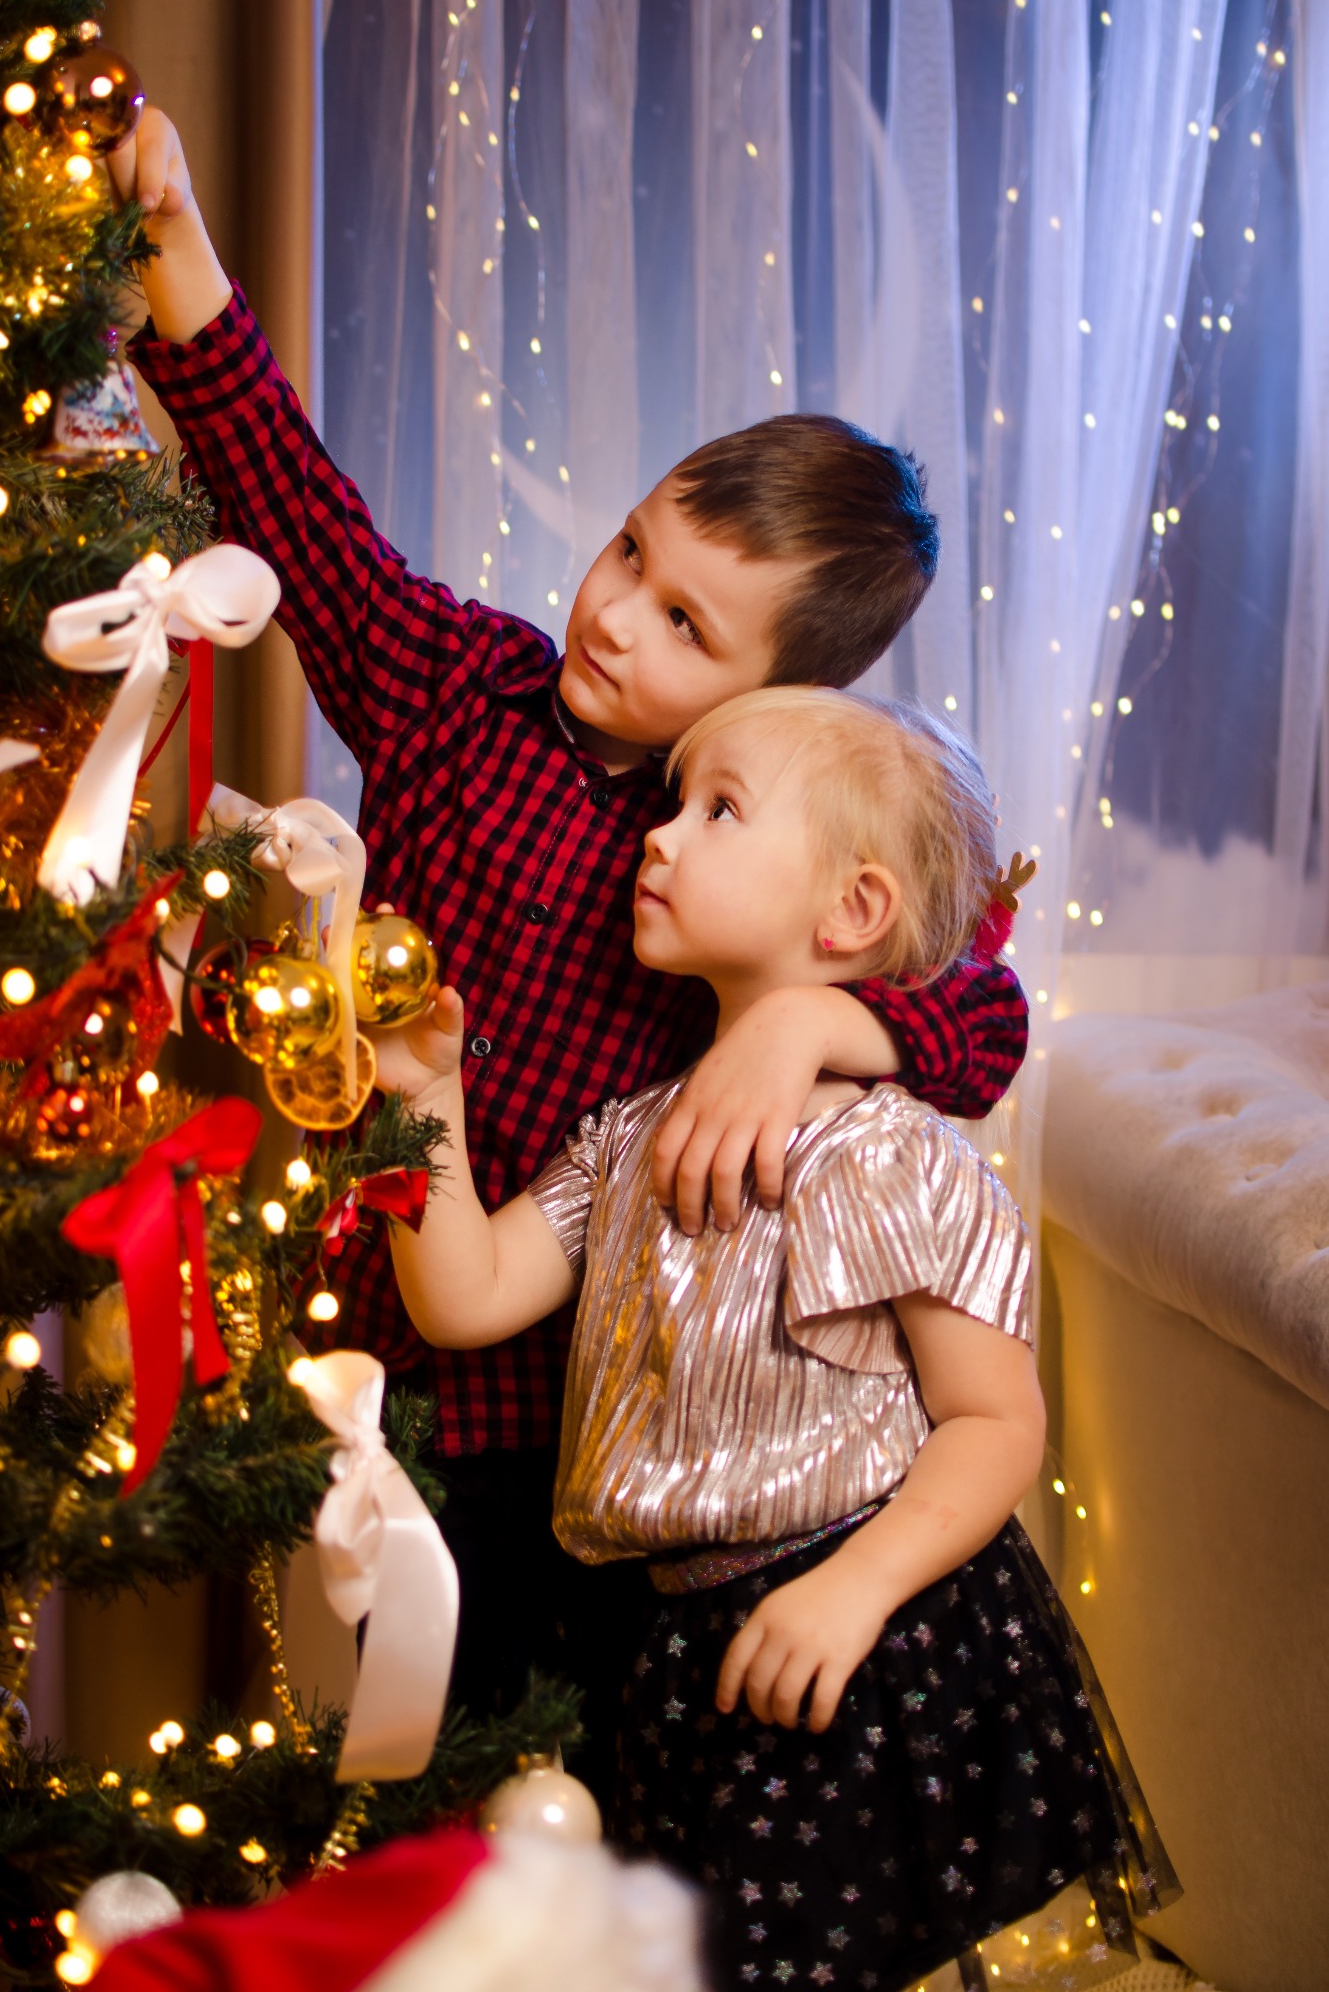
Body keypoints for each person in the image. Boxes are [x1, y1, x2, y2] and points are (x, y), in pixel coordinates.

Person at [108, 113, 1030, 1738]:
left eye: (685, 622)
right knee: (355, 1723)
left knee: (548, 1761)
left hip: (583, 1418)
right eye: (629, 552)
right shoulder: (459, 682)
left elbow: (985, 1015)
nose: (610, 614)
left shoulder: (749, 864)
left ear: (780, 696)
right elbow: (298, 506)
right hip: (371, 1309)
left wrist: (819, 1024)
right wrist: (179, 244)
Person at [378, 688, 1179, 1992]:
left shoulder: (887, 1150)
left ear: (852, 911)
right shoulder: (627, 1135)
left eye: (718, 810)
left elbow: (997, 1421)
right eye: (669, 804)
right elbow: (462, 1298)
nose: (658, 838)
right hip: (677, 1643)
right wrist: (424, 1105)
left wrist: (854, 1590)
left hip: (862, 1633)